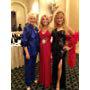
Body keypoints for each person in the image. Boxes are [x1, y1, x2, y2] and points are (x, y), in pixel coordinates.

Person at [21, 13, 39, 90]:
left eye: (33, 18)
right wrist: (27, 53)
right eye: (31, 18)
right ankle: (28, 84)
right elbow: (24, 42)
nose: (32, 20)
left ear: (35, 19)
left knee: (33, 66)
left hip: (35, 51)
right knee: (28, 68)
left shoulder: (35, 28)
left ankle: (33, 78)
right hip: (28, 52)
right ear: (28, 19)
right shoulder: (26, 28)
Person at [51, 11, 66, 90]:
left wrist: (68, 47)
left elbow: (75, 36)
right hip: (54, 50)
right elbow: (52, 41)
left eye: (61, 18)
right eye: (57, 18)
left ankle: (58, 83)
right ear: (55, 19)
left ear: (63, 19)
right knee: (55, 66)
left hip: (62, 51)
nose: (59, 19)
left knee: (60, 67)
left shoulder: (66, 28)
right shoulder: (54, 29)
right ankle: (54, 80)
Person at [38, 15, 52, 89]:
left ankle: (47, 81)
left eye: (46, 19)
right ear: (41, 21)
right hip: (41, 50)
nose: (45, 20)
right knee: (42, 64)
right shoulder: (39, 28)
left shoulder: (51, 29)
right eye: (43, 19)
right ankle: (42, 79)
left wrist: (52, 53)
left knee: (47, 64)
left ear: (48, 20)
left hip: (48, 49)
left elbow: (54, 40)